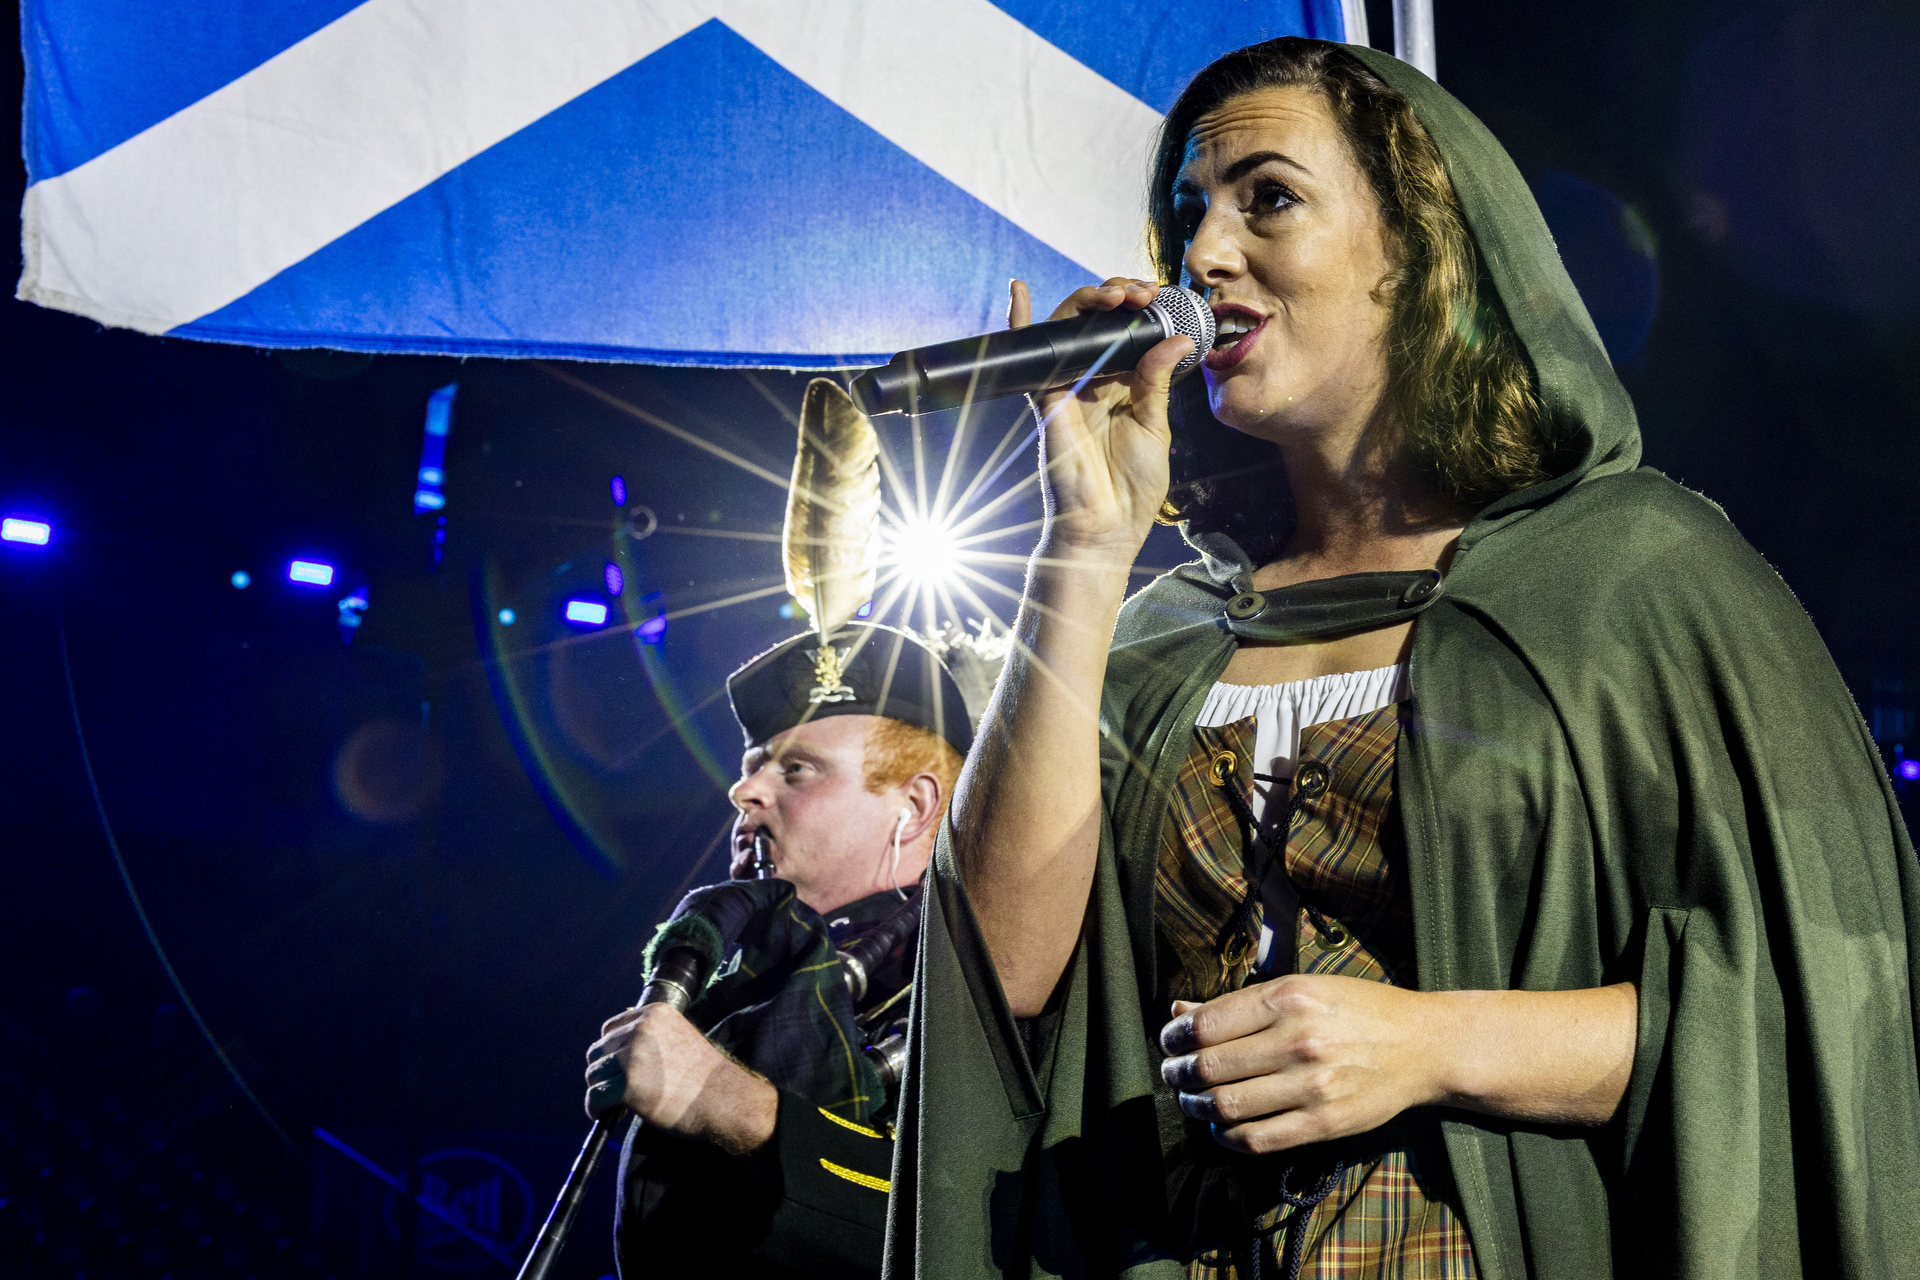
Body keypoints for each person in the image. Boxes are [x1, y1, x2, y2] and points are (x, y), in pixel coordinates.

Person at [886, 37, 1920, 1280]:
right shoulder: (1160, 635)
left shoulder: (1639, 575)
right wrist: (1086, 545)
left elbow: (1817, 1002)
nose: (1205, 254)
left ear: (1417, 249)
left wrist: (1432, 1043)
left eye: (1267, 197)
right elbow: (997, 991)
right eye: (1188, 216)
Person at [585, 623, 972, 1278]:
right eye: (752, 768)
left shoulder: (994, 982)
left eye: (797, 768)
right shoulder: (748, 981)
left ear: (913, 806)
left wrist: (730, 1101)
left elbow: (973, 1237)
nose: (746, 791)